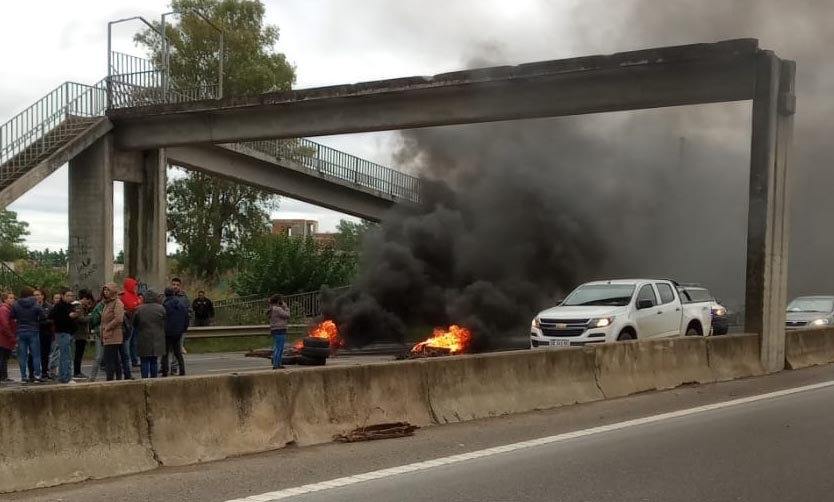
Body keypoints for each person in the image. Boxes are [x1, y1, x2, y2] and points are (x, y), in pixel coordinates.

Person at [11, 286, 44, 384]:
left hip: (21, 331)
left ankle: (23, 377)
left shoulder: (16, 304)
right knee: (36, 355)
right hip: (33, 330)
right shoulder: (36, 304)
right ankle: (37, 376)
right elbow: (43, 316)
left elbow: (12, 316)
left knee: (22, 356)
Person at [133, 290, 166, 379]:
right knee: (154, 360)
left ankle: (145, 379)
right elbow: (165, 320)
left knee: (144, 360)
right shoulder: (161, 308)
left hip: (143, 336)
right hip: (157, 337)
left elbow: (134, 322)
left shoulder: (139, 309)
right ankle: (154, 379)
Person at [49, 288, 79, 384]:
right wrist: (68, 316)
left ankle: (63, 376)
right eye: (67, 295)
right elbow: (52, 316)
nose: (70, 297)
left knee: (66, 356)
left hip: (69, 332)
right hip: (62, 332)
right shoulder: (59, 306)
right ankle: (66, 377)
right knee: (66, 356)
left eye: (71, 296)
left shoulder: (70, 306)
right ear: (63, 296)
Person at [162, 287, 189, 377]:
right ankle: (182, 370)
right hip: (178, 332)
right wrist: (183, 329)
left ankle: (164, 371)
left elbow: (162, 318)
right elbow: (186, 317)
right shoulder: (181, 304)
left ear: (165, 294)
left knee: (165, 353)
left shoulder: (165, 305)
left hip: (167, 332)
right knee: (178, 353)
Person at [101, 282, 125, 381]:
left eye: (108, 290)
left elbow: (119, 319)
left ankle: (111, 379)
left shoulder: (117, 303)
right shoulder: (107, 303)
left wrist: (108, 327)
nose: (106, 292)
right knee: (113, 359)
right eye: (105, 290)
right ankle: (116, 378)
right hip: (107, 335)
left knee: (110, 359)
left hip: (114, 335)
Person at [120, 277, 143, 377]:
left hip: (135, 322)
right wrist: (135, 307)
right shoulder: (124, 295)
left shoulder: (134, 295)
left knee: (134, 342)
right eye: (134, 285)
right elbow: (129, 306)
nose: (135, 287)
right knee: (128, 343)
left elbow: (140, 303)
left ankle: (134, 359)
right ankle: (126, 362)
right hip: (128, 323)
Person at [73, 289, 94, 380]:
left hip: (82, 333)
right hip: (79, 333)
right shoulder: (78, 306)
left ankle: (78, 371)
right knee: (78, 353)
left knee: (80, 353)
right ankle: (76, 372)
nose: (88, 302)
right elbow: (80, 319)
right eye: (87, 300)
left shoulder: (83, 307)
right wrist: (90, 316)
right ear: (84, 298)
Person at [88, 288, 106, 382]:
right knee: (98, 356)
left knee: (114, 357)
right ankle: (92, 377)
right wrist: (99, 316)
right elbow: (93, 321)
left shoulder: (114, 305)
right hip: (100, 333)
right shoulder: (98, 307)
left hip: (111, 333)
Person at [268, 294, 291, 370]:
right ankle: (276, 364)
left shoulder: (272, 308)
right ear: (278, 301)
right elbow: (287, 315)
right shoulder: (277, 309)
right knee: (279, 347)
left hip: (275, 329)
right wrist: (286, 307)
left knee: (279, 347)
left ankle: (278, 363)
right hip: (280, 329)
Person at [0, 291, 16, 383]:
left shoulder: (8, 309)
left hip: (6, 338)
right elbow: (5, 324)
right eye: (10, 298)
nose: (13, 300)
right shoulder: (4, 309)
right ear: (5, 299)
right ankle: (3, 376)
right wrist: (11, 336)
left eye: (13, 298)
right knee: (3, 357)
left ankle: (4, 375)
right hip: (4, 338)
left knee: (4, 357)